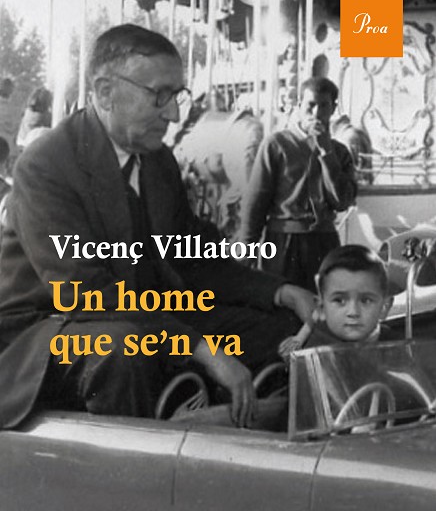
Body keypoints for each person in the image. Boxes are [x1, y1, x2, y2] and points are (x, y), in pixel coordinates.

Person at [0, 24, 314, 429]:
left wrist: (280, 292)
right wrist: (203, 349)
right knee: (122, 348)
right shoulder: (46, 165)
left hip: (144, 316)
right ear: (105, 91)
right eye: (159, 95)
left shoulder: (158, 161)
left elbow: (194, 258)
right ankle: (130, 464)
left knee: (281, 330)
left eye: (177, 95)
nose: (174, 114)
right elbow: (88, 293)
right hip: (48, 330)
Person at [239, 77, 357, 292]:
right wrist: (247, 250)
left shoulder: (340, 152)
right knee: (281, 304)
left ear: (333, 109)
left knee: (324, 304)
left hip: (324, 243)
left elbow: (342, 201)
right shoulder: (276, 144)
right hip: (282, 243)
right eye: (310, 105)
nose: (316, 113)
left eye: (324, 106)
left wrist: (326, 153)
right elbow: (255, 202)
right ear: (299, 106)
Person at [279, 244, 393, 356]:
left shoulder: (396, 345)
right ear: (321, 308)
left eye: (366, 300)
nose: (353, 312)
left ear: (385, 307)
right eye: (339, 301)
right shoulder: (313, 354)